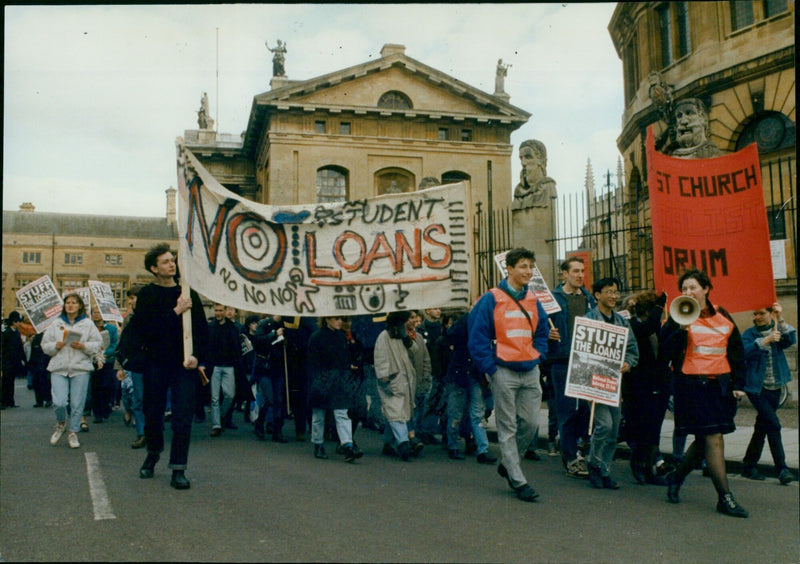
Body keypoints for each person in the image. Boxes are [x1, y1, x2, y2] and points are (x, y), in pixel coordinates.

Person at [660, 268, 748, 517]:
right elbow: (664, 354)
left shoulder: (722, 315)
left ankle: (676, 478)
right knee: (713, 438)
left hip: (718, 388)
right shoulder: (677, 318)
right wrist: (680, 332)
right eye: (684, 289)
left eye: (692, 287)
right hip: (692, 388)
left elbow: (736, 351)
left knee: (703, 441)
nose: (687, 292)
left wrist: (738, 383)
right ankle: (725, 497)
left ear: (706, 289)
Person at [468, 247, 549, 502]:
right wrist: (490, 369)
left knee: (531, 423)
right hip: (503, 370)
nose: (528, 271)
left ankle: (508, 462)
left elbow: (543, 332)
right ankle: (517, 479)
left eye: (530, 267)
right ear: (510, 269)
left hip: (529, 370)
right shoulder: (492, 298)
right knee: (507, 426)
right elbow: (477, 336)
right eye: (523, 266)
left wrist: (539, 355)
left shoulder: (534, 300)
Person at [135, 244, 209, 490]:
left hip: (183, 366)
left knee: (182, 417)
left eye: (172, 260)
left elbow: (201, 332)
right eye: (165, 262)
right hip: (156, 364)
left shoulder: (188, 293)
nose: (171, 264)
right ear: (154, 268)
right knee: (153, 415)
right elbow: (147, 332)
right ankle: (153, 453)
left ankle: (179, 468)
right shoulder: (147, 295)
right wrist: (177, 310)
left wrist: (197, 357)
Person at [583, 278, 639, 490]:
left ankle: (604, 470)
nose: (614, 296)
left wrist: (628, 363)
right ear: (597, 295)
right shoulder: (589, 320)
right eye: (609, 291)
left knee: (614, 429)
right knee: (603, 425)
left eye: (616, 292)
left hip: (614, 384)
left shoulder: (622, 322)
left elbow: (633, 350)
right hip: (593, 383)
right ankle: (594, 464)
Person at [548, 256, 596, 478]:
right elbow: (536, 325)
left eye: (582, 271)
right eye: (575, 271)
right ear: (564, 274)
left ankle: (566, 439)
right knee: (566, 410)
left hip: (585, 361)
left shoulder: (589, 299)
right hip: (562, 360)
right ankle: (570, 458)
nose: (580, 275)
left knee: (587, 410)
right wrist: (546, 333)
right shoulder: (553, 299)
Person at [740, 302, 796, 485]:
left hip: (776, 387)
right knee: (774, 425)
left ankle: (748, 465)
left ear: (770, 314)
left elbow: (791, 340)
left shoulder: (778, 329)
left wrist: (780, 317)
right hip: (757, 389)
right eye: (754, 314)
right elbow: (743, 353)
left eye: (761, 313)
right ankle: (782, 469)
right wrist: (764, 341)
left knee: (762, 426)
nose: (757, 317)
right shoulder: (750, 334)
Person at [41, 294, 103, 449]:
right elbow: (44, 345)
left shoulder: (88, 324)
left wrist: (83, 346)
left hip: (80, 368)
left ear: (79, 306)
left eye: (74, 303)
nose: (70, 305)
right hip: (59, 367)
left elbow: (98, 344)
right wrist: (56, 345)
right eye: (68, 303)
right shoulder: (56, 323)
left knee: (77, 403)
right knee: (59, 402)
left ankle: (73, 432)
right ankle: (61, 423)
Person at [623, 290, 671, 485]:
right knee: (643, 428)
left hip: (659, 384)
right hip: (639, 386)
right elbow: (648, 327)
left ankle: (650, 469)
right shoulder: (634, 325)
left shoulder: (657, 327)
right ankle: (638, 463)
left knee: (654, 430)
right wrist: (660, 306)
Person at [443, 308, 497, 465]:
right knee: (457, 413)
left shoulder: (483, 325)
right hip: (461, 375)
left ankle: (482, 449)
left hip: (472, 375)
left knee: (475, 414)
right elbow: (450, 334)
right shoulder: (466, 324)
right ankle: (455, 446)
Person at [306, 316, 363, 462]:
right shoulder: (317, 337)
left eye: (340, 319)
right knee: (319, 415)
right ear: (327, 320)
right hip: (322, 380)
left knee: (342, 412)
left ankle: (347, 444)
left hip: (338, 380)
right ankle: (318, 443)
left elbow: (344, 358)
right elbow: (312, 362)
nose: (339, 321)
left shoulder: (341, 336)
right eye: (336, 319)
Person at [374, 311, 417, 461]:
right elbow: (381, 360)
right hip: (393, 381)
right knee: (396, 413)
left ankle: (388, 443)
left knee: (394, 414)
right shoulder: (384, 337)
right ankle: (403, 443)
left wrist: (407, 340)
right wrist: (386, 380)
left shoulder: (401, 337)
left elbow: (415, 351)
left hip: (404, 381)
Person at [115, 285, 147, 449]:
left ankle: (153, 430)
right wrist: (121, 366)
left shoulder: (156, 315)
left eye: (133, 297)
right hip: (137, 365)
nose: (130, 301)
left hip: (156, 364)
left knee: (154, 399)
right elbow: (122, 345)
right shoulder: (129, 318)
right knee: (138, 399)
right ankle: (142, 433)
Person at [252, 314, 290, 443]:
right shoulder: (264, 324)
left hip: (278, 368)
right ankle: (260, 422)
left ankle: (277, 431)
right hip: (265, 368)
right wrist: (274, 334)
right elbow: (257, 341)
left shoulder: (286, 324)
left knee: (279, 400)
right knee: (269, 398)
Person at [207, 303, 241, 437]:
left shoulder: (232, 328)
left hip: (229, 365)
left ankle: (220, 416)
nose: (218, 313)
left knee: (230, 395)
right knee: (214, 398)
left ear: (225, 311)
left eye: (220, 310)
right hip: (215, 365)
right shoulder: (210, 327)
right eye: (216, 311)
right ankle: (216, 425)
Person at [405, 311, 431, 455]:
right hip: (406, 382)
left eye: (416, 317)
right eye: (411, 317)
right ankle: (411, 439)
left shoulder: (419, 337)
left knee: (417, 411)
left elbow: (426, 359)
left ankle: (389, 441)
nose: (414, 320)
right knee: (409, 413)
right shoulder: (401, 338)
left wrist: (426, 376)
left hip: (419, 381)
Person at [90, 307, 118, 424]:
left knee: (107, 386)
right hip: (94, 361)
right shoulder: (90, 328)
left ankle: (106, 406)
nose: (97, 315)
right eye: (95, 313)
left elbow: (114, 343)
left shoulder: (111, 328)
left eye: (99, 312)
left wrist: (105, 354)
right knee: (95, 387)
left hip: (108, 361)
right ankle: (97, 413)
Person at [1, 311, 26, 409]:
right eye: (18, 321)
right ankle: (3, 402)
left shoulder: (17, 333)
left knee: (11, 382)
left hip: (14, 362)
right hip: (6, 362)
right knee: (5, 382)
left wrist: (23, 359)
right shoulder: (6, 333)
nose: (19, 323)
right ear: (13, 322)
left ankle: (10, 401)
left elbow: (20, 348)